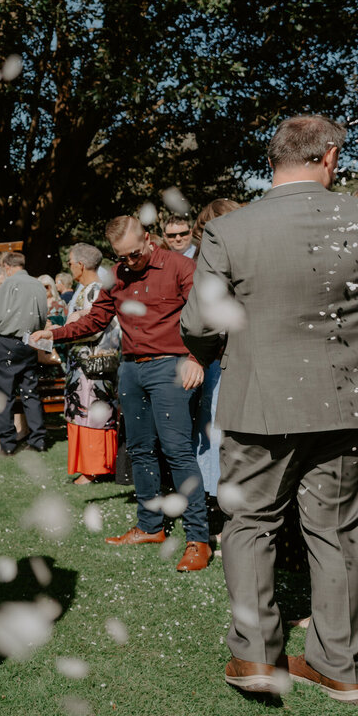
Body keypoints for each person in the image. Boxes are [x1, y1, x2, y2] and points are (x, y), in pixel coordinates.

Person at [182, 114, 358, 700]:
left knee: (251, 524)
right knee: (336, 531)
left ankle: (257, 657)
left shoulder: (234, 230)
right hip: (345, 402)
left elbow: (199, 323)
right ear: (330, 156)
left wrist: (214, 350)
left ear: (273, 160)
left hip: (260, 400)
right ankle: (338, 663)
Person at [32, 216, 210, 572]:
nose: (128, 262)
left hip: (171, 366)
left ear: (148, 238)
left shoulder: (181, 266)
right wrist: (57, 333)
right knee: (140, 449)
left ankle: (198, 539)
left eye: (133, 254)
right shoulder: (117, 275)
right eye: (121, 257)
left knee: (176, 451)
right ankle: (150, 526)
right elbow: (96, 320)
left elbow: (206, 315)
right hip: (131, 368)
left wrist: (195, 358)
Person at [188, 199, 242, 529]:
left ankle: (228, 519)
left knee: (220, 438)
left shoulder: (216, 264)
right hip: (222, 361)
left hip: (223, 361)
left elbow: (200, 322)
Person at [0, 252, 50, 455]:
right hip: (30, 341)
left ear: (8, 267)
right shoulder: (37, 284)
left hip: (8, 342)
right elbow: (43, 315)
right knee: (30, 392)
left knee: (5, 394)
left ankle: (8, 443)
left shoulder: (10, 284)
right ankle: (38, 440)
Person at [62, 243, 120, 484]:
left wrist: (67, 328)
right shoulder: (91, 289)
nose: (68, 266)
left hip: (93, 368)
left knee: (90, 413)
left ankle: (94, 469)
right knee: (84, 413)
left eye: (69, 262)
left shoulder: (95, 291)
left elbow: (96, 329)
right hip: (85, 367)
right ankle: (90, 466)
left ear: (80, 265)